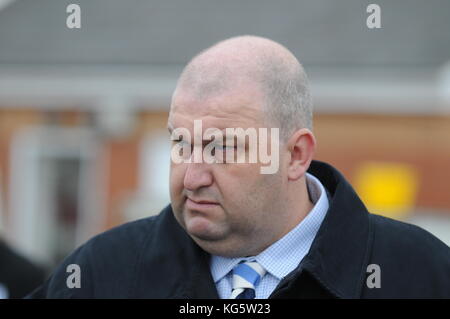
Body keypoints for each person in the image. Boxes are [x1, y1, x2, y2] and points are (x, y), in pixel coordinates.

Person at [28, 36, 449, 299]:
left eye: (222, 149)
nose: (192, 177)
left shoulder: (419, 275)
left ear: (296, 155)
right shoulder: (102, 274)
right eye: (180, 143)